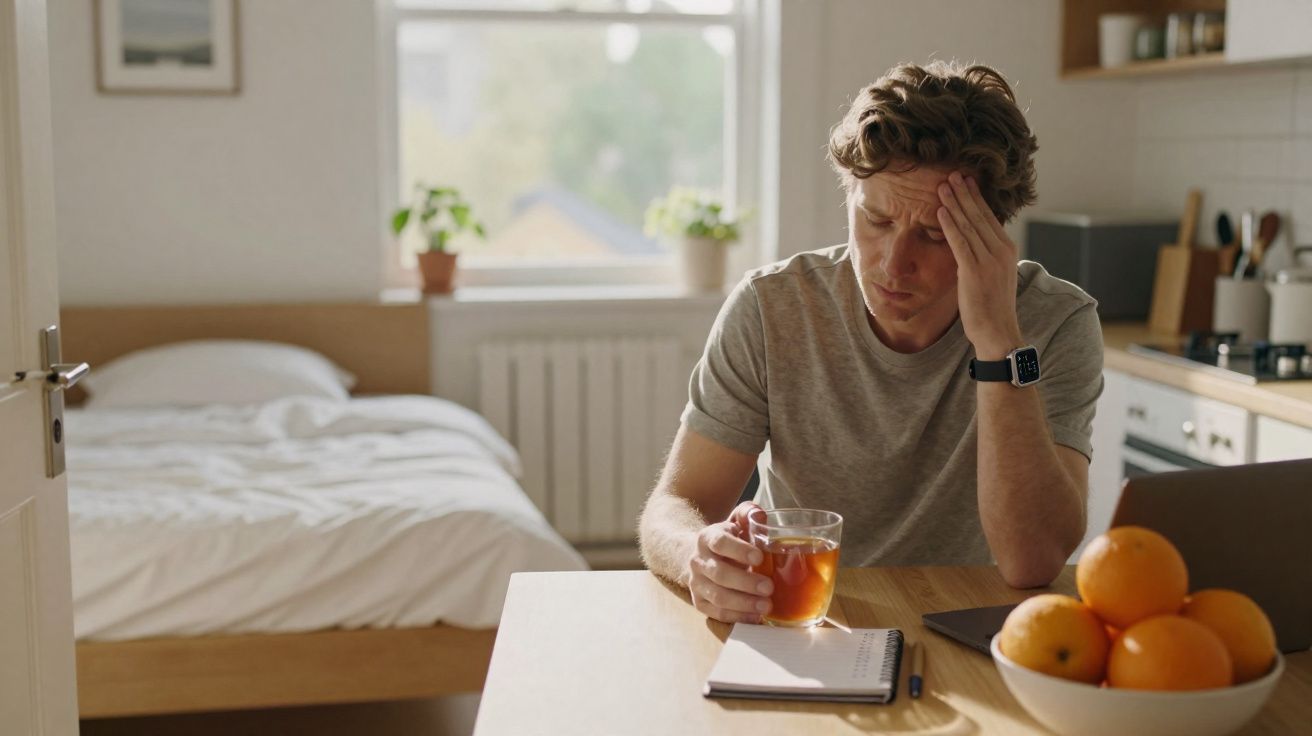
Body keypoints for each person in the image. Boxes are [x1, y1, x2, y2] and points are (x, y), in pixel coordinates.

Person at [637, 60, 1104, 625]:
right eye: (877, 221)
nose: (893, 264)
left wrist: (999, 342)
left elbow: (1033, 560)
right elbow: (675, 506)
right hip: (803, 615)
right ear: (850, 195)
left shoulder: (1055, 323)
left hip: (973, 620)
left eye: (934, 235)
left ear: (992, 232)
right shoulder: (771, 307)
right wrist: (697, 556)